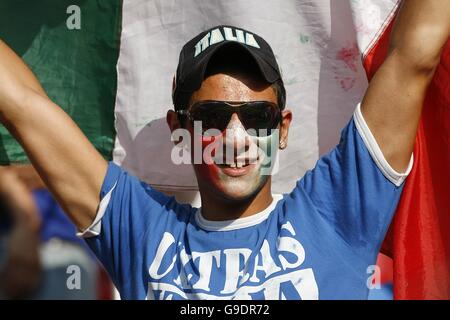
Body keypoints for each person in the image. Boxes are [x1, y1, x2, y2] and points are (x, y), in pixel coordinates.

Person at [0, 0, 448, 299]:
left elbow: (414, 56)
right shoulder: (137, 226)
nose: (236, 138)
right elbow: (23, 105)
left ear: (283, 128)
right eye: (213, 117)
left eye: (257, 119)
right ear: (179, 130)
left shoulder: (337, 211)